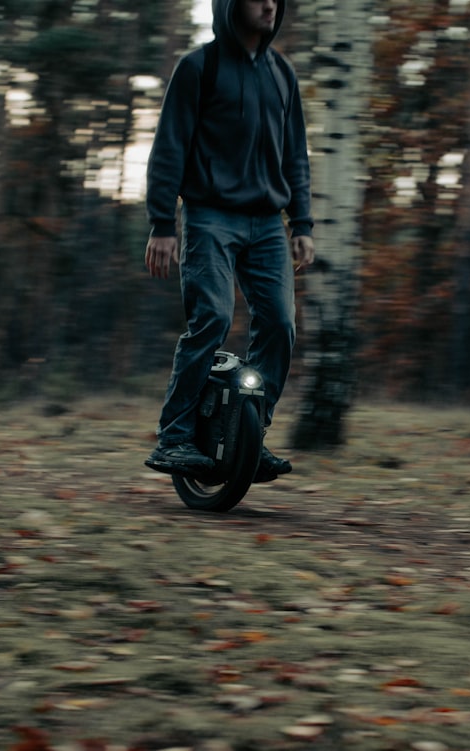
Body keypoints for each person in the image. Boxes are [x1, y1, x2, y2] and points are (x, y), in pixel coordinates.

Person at [144, 0, 315, 481]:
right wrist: (161, 224)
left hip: (267, 224)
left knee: (280, 324)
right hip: (209, 216)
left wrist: (302, 224)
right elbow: (170, 146)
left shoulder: (283, 74)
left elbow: (295, 155)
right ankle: (174, 437)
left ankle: (248, 437)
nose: (268, 4)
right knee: (213, 317)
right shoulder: (199, 67)